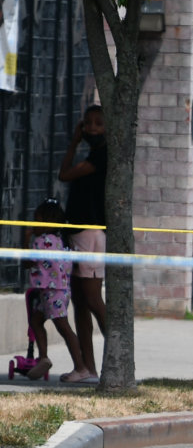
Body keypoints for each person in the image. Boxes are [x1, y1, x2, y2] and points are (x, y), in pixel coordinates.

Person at [59, 104, 108, 381]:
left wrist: (74, 143)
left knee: (92, 299)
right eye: (87, 123)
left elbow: (64, 174)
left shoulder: (101, 155)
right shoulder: (93, 153)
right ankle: (86, 367)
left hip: (90, 233)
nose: (91, 128)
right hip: (78, 232)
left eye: (98, 123)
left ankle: (117, 355)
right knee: (79, 300)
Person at [24, 199, 91, 382]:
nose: (33, 224)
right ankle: (43, 358)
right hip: (56, 291)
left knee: (64, 328)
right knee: (36, 321)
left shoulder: (40, 241)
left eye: (37, 221)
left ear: (46, 223)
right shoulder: (61, 241)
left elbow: (26, 263)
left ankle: (81, 367)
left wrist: (25, 239)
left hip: (53, 292)